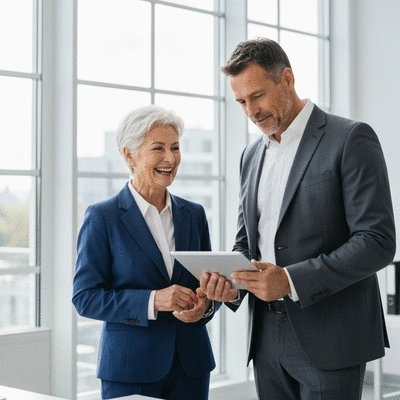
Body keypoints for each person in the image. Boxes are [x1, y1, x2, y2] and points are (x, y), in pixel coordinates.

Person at [200, 38, 396, 400]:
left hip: (331, 335)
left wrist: (290, 280)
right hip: (265, 339)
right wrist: (230, 282)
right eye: (241, 101)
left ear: (286, 79)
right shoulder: (251, 155)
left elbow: (377, 241)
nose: (251, 111)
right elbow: (248, 242)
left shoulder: (350, 138)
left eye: (257, 96)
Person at [72, 105, 219, 400]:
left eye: (175, 148)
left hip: (191, 366)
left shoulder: (194, 214)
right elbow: (85, 298)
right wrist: (154, 300)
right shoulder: (103, 217)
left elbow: (206, 286)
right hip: (130, 369)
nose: (170, 158)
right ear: (129, 155)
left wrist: (204, 306)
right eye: (158, 148)